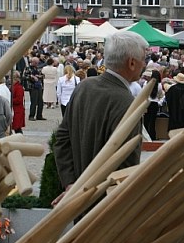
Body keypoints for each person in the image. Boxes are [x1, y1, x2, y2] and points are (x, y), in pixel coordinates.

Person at [54, 31, 149, 203]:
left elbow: (61, 138)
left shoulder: (84, 87)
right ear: (132, 63)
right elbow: (127, 162)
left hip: (77, 198)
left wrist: (70, 184)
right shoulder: (127, 103)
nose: (145, 64)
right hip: (106, 206)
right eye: (144, 59)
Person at [143, 70, 163, 140]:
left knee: (146, 121)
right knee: (152, 122)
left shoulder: (146, 83)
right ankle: (153, 137)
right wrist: (159, 103)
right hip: (155, 104)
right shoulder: (159, 85)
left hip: (147, 103)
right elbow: (161, 95)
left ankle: (146, 137)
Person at [24, 56, 46, 121]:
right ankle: (31, 115)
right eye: (35, 63)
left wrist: (38, 76)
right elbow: (25, 76)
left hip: (39, 86)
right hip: (32, 87)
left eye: (37, 62)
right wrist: (32, 77)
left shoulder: (38, 68)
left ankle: (39, 115)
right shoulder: (28, 68)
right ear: (32, 62)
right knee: (34, 102)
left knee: (40, 102)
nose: (37, 64)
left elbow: (43, 75)